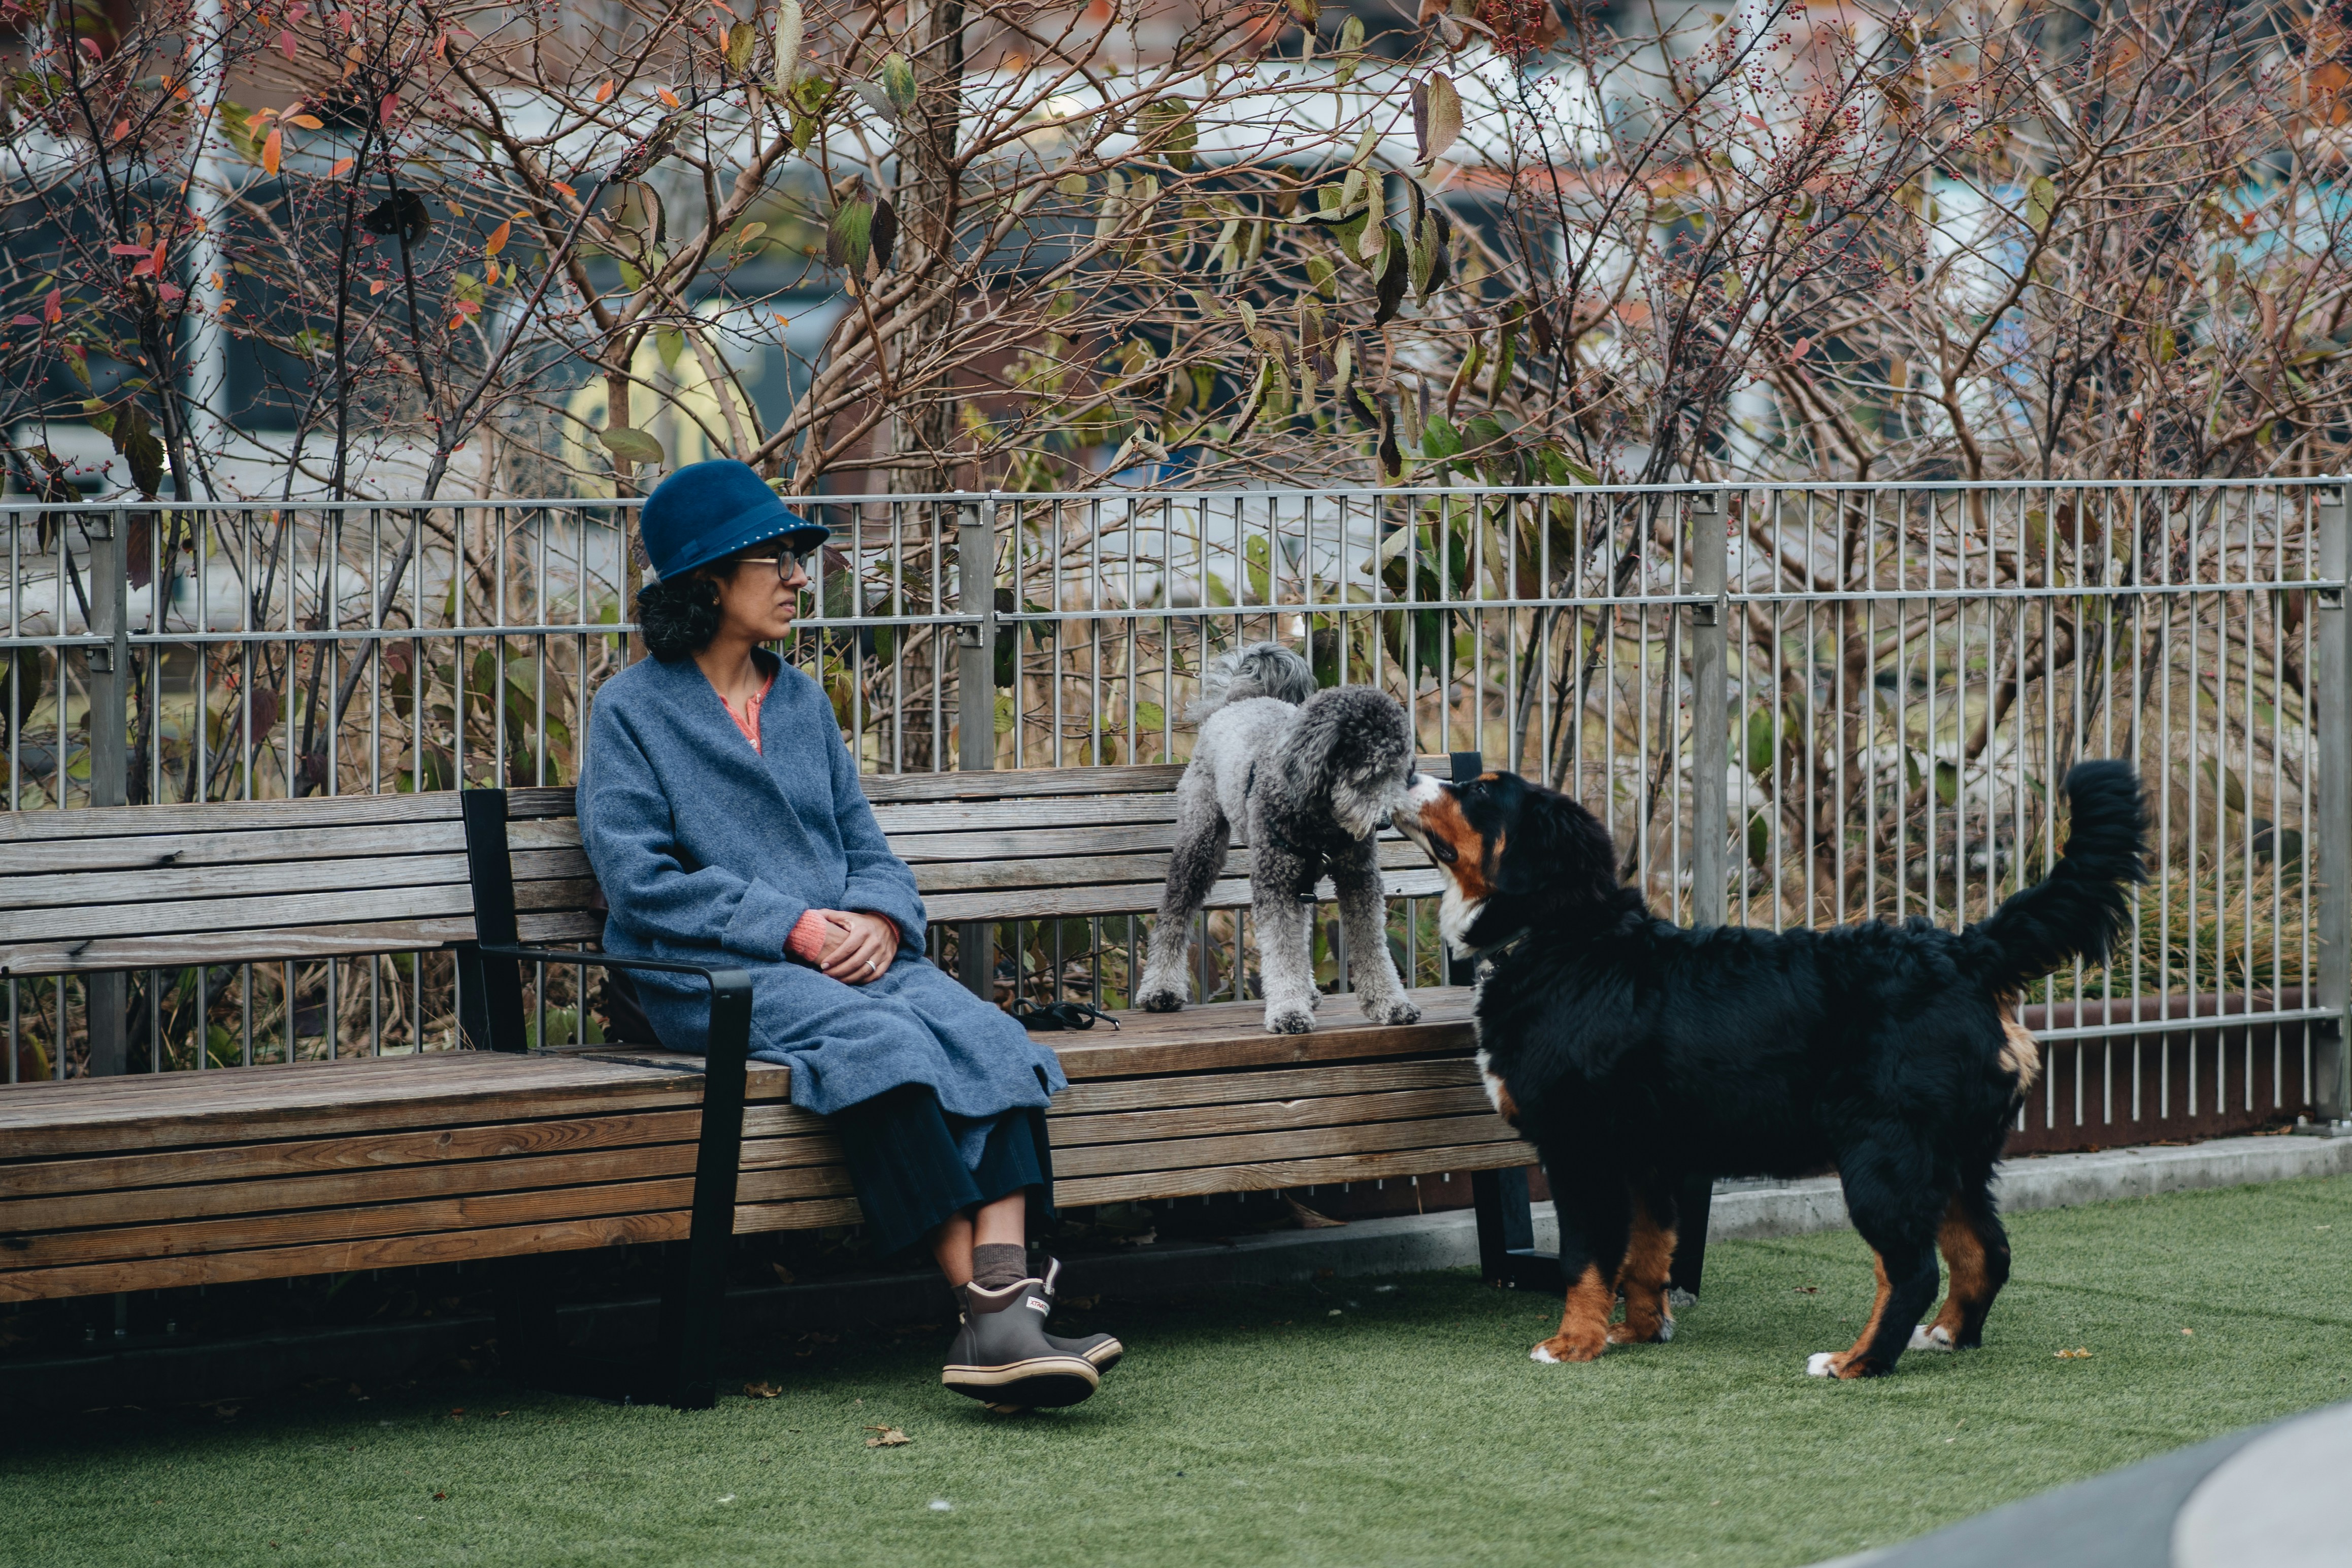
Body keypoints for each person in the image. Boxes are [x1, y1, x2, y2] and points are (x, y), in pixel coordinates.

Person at [580, 458, 1120, 1410]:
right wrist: (789, 926)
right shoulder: (630, 710)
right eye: (778, 558)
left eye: (798, 557)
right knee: (884, 1043)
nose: (799, 575)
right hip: (710, 974)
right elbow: (639, 881)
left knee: (993, 1039)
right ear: (708, 580)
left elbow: (867, 845)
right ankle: (994, 1320)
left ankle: (1002, 1317)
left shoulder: (802, 701)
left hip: (850, 956)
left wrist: (878, 918)